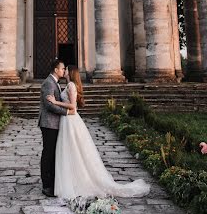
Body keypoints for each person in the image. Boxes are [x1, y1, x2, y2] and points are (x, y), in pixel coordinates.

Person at [47, 65, 150, 200]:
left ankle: (77, 181)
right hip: (66, 121)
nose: (64, 71)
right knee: (69, 150)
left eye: (66, 69)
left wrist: (56, 102)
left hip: (71, 121)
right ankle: (71, 179)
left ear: (70, 72)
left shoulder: (71, 85)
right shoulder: (68, 85)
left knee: (73, 149)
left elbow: (73, 106)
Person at [38, 59, 75, 197]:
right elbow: (49, 105)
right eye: (62, 68)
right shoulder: (48, 83)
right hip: (49, 123)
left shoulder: (55, 83)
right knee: (48, 154)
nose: (64, 70)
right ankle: (46, 185)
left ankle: (52, 182)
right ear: (56, 70)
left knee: (53, 153)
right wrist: (66, 112)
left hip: (54, 123)